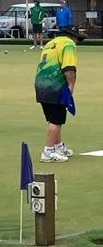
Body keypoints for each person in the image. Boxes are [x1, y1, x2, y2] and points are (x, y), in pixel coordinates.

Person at [34, 25, 83, 162]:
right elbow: (69, 67)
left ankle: (57, 146)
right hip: (55, 85)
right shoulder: (68, 44)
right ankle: (48, 152)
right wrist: (71, 85)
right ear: (72, 36)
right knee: (56, 119)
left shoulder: (51, 43)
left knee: (54, 117)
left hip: (41, 84)